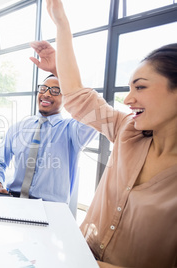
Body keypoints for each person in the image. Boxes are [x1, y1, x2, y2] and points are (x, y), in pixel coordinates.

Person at [43, 0, 177, 267]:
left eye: (140, 87)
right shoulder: (128, 130)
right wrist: (62, 24)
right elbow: (78, 97)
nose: (128, 99)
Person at [0, 70, 96, 204]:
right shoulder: (18, 128)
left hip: (51, 207)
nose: (46, 94)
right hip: (13, 200)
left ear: (67, 97)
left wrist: (71, 83)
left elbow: (95, 112)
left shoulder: (73, 130)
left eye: (55, 90)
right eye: (43, 88)